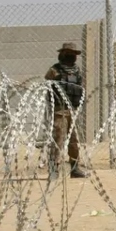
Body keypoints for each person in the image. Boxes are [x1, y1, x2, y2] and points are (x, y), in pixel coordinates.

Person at [45, 42, 88, 179]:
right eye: (69, 53)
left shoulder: (77, 71)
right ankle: (54, 168)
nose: (72, 56)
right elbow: (48, 85)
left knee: (74, 140)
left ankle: (75, 168)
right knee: (58, 138)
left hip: (73, 109)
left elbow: (79, 87)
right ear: (62, 54)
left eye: (73, 54)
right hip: (60, 109)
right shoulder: (55, 70)